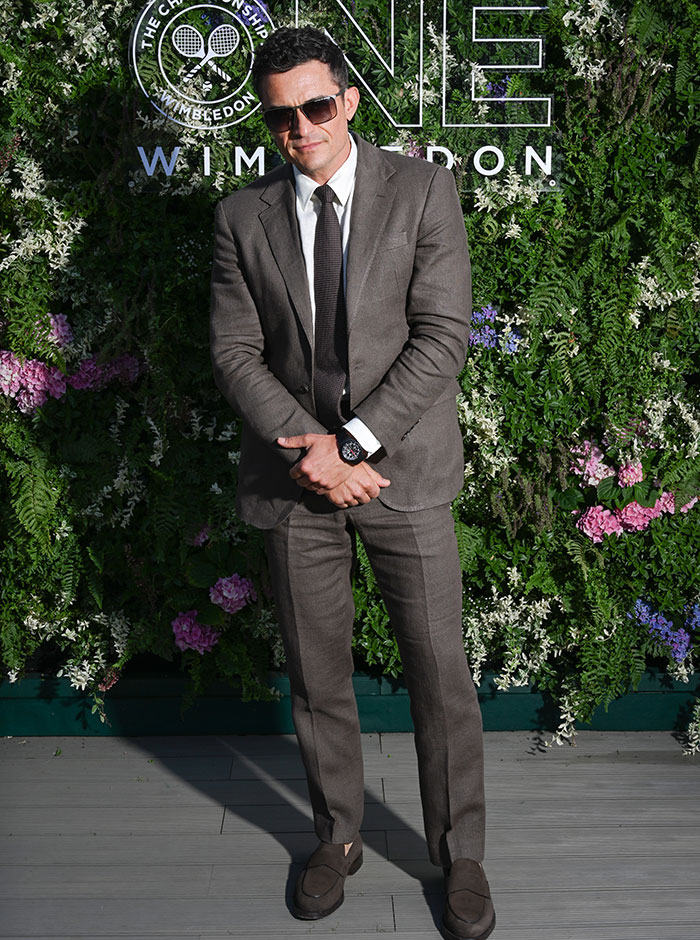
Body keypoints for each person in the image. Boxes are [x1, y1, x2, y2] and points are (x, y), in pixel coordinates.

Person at [209, 26, 494, 940]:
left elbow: (442, 336)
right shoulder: (239, 217)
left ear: (350, 102)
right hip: (297, 482)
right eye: (282, 115)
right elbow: (235, 352)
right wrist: (311, 453)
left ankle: (459, 856)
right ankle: (336, 839)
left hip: (401, 475)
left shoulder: (423, 191)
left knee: (439, 675)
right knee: (317, 677)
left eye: (316, 106)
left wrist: (357, 444)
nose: (301, 129)